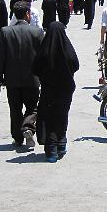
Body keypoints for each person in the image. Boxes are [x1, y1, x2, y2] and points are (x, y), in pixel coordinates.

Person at [0, 1, 44, 150]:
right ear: (27, 14)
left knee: (15, 109)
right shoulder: (37, 32)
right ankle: (28, 127)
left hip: (12, 79)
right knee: (32, 108)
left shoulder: (5, 31)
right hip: (32, 79)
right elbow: (42, 57)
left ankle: (17, 138)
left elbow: (1, 56)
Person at [33, 22, 79, 163]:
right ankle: (61, 144)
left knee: (49, 118)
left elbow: (35, 68)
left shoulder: (44, 50)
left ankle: (51, 150)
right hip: (66, 89)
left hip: (49, 90)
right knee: (62, 115)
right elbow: (75, 65)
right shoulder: (68, 49)